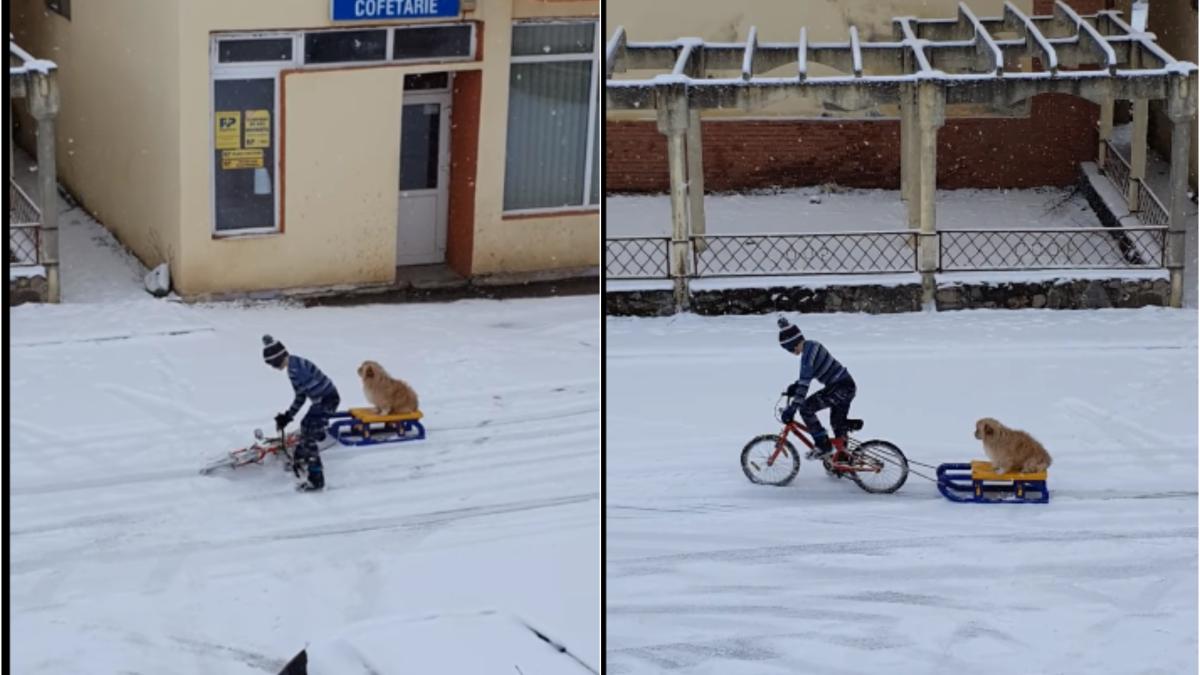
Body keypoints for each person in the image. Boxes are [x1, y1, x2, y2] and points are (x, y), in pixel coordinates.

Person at [262, 335, 340, 491]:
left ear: (277, 359)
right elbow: (301, 395)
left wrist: (317, 416)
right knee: (306, 426)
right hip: (321, 401)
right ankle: (301, 457)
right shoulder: (292, 368)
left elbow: (315, 389)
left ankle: (317, 479)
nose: (272, 367)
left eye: (271, 363)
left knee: (309, 434)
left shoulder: (298, 368)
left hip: (327, 400)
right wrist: (288, 415)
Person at [777, 317, 857, 459]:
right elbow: (808, 376)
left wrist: (793, 407)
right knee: (837, 423)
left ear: (793, 344)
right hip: (845, 386)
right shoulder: (812, 347)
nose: (791, 352)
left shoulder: (808, 354)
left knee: (806, 408)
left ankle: (823, 445)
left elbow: (805, 381)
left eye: (789, 349)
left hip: (840, 387)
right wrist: (796, 386)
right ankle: (842, 459)